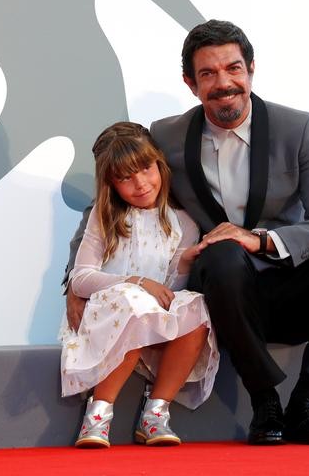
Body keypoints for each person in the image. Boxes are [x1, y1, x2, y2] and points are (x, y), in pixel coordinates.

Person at [66, 20, 309, 445]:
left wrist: (259, 239)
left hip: (289, 284)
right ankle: (265, 404)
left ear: (251, 69)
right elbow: (108, 197)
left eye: (233, 68)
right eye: (208, 74)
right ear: (190, 82)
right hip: (222, 287)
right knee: (220, 254)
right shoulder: (167, 135)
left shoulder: (299, 130)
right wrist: (74, 284)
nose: (224, 83)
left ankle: (305, 400)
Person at [59, 122, 219, 448]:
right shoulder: (104, 218)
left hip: (151, 317)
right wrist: (136, 282)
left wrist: (185, 262)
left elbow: (171, 288)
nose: (141, 183)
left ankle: (157, 411)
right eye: (125, 177)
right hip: (110, 315)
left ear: (159, 164)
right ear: (110, 184)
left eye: (146, 169)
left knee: (197, 307)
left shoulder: (183, 222)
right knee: (133, 301)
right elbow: (81, 277)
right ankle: (99, 412)